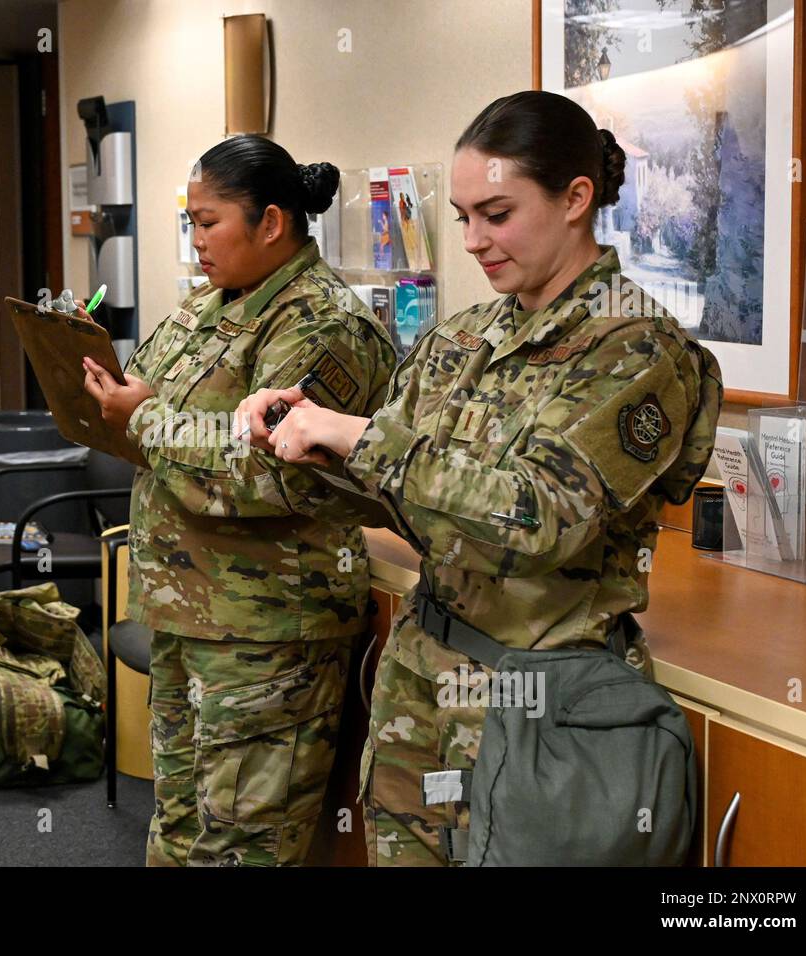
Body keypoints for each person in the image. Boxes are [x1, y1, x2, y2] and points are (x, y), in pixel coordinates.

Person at [238, 90, 722, 866]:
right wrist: (305, 442)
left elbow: (542, 517)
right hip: (424, 687)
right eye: (462, 216)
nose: (471, 240)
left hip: (540, 705)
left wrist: (365, 438)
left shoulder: (637, 351)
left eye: (496, 214)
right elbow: (402, 494)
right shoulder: (462, 338)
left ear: (575, 199)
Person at [83, 134, 398, 866]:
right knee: (179, 830)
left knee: (242, 850)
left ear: (271, 223)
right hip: (185, 610)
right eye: (188, 222)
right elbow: (152, 420)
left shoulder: (323, 326)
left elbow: (277, 470)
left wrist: (149, 419)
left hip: (266, 633)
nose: (195, 240)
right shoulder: (207, 307)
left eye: (208, 221)